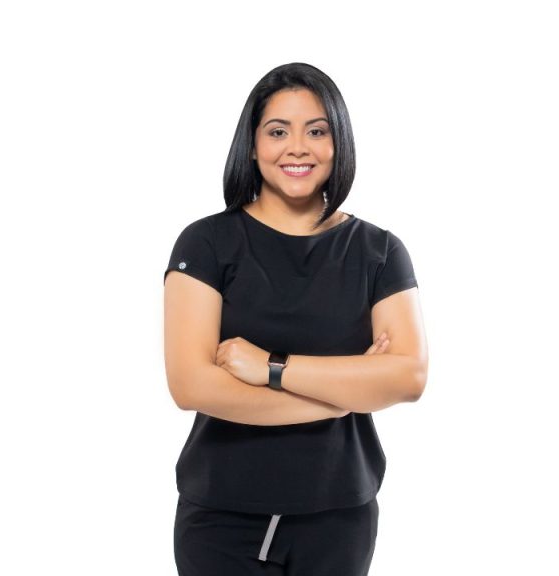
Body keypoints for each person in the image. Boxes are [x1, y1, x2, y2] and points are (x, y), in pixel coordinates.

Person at [162, 62, 429, 576]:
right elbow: (191, 384)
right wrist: (342, 395)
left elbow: (408, 376)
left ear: (339, 142)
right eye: (278, 131)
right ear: (252, 143)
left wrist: (271, 367)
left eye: (317, 131)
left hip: (339, 517)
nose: (298, 148)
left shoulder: (379, 251)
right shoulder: (206, 243)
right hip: (221, 517)